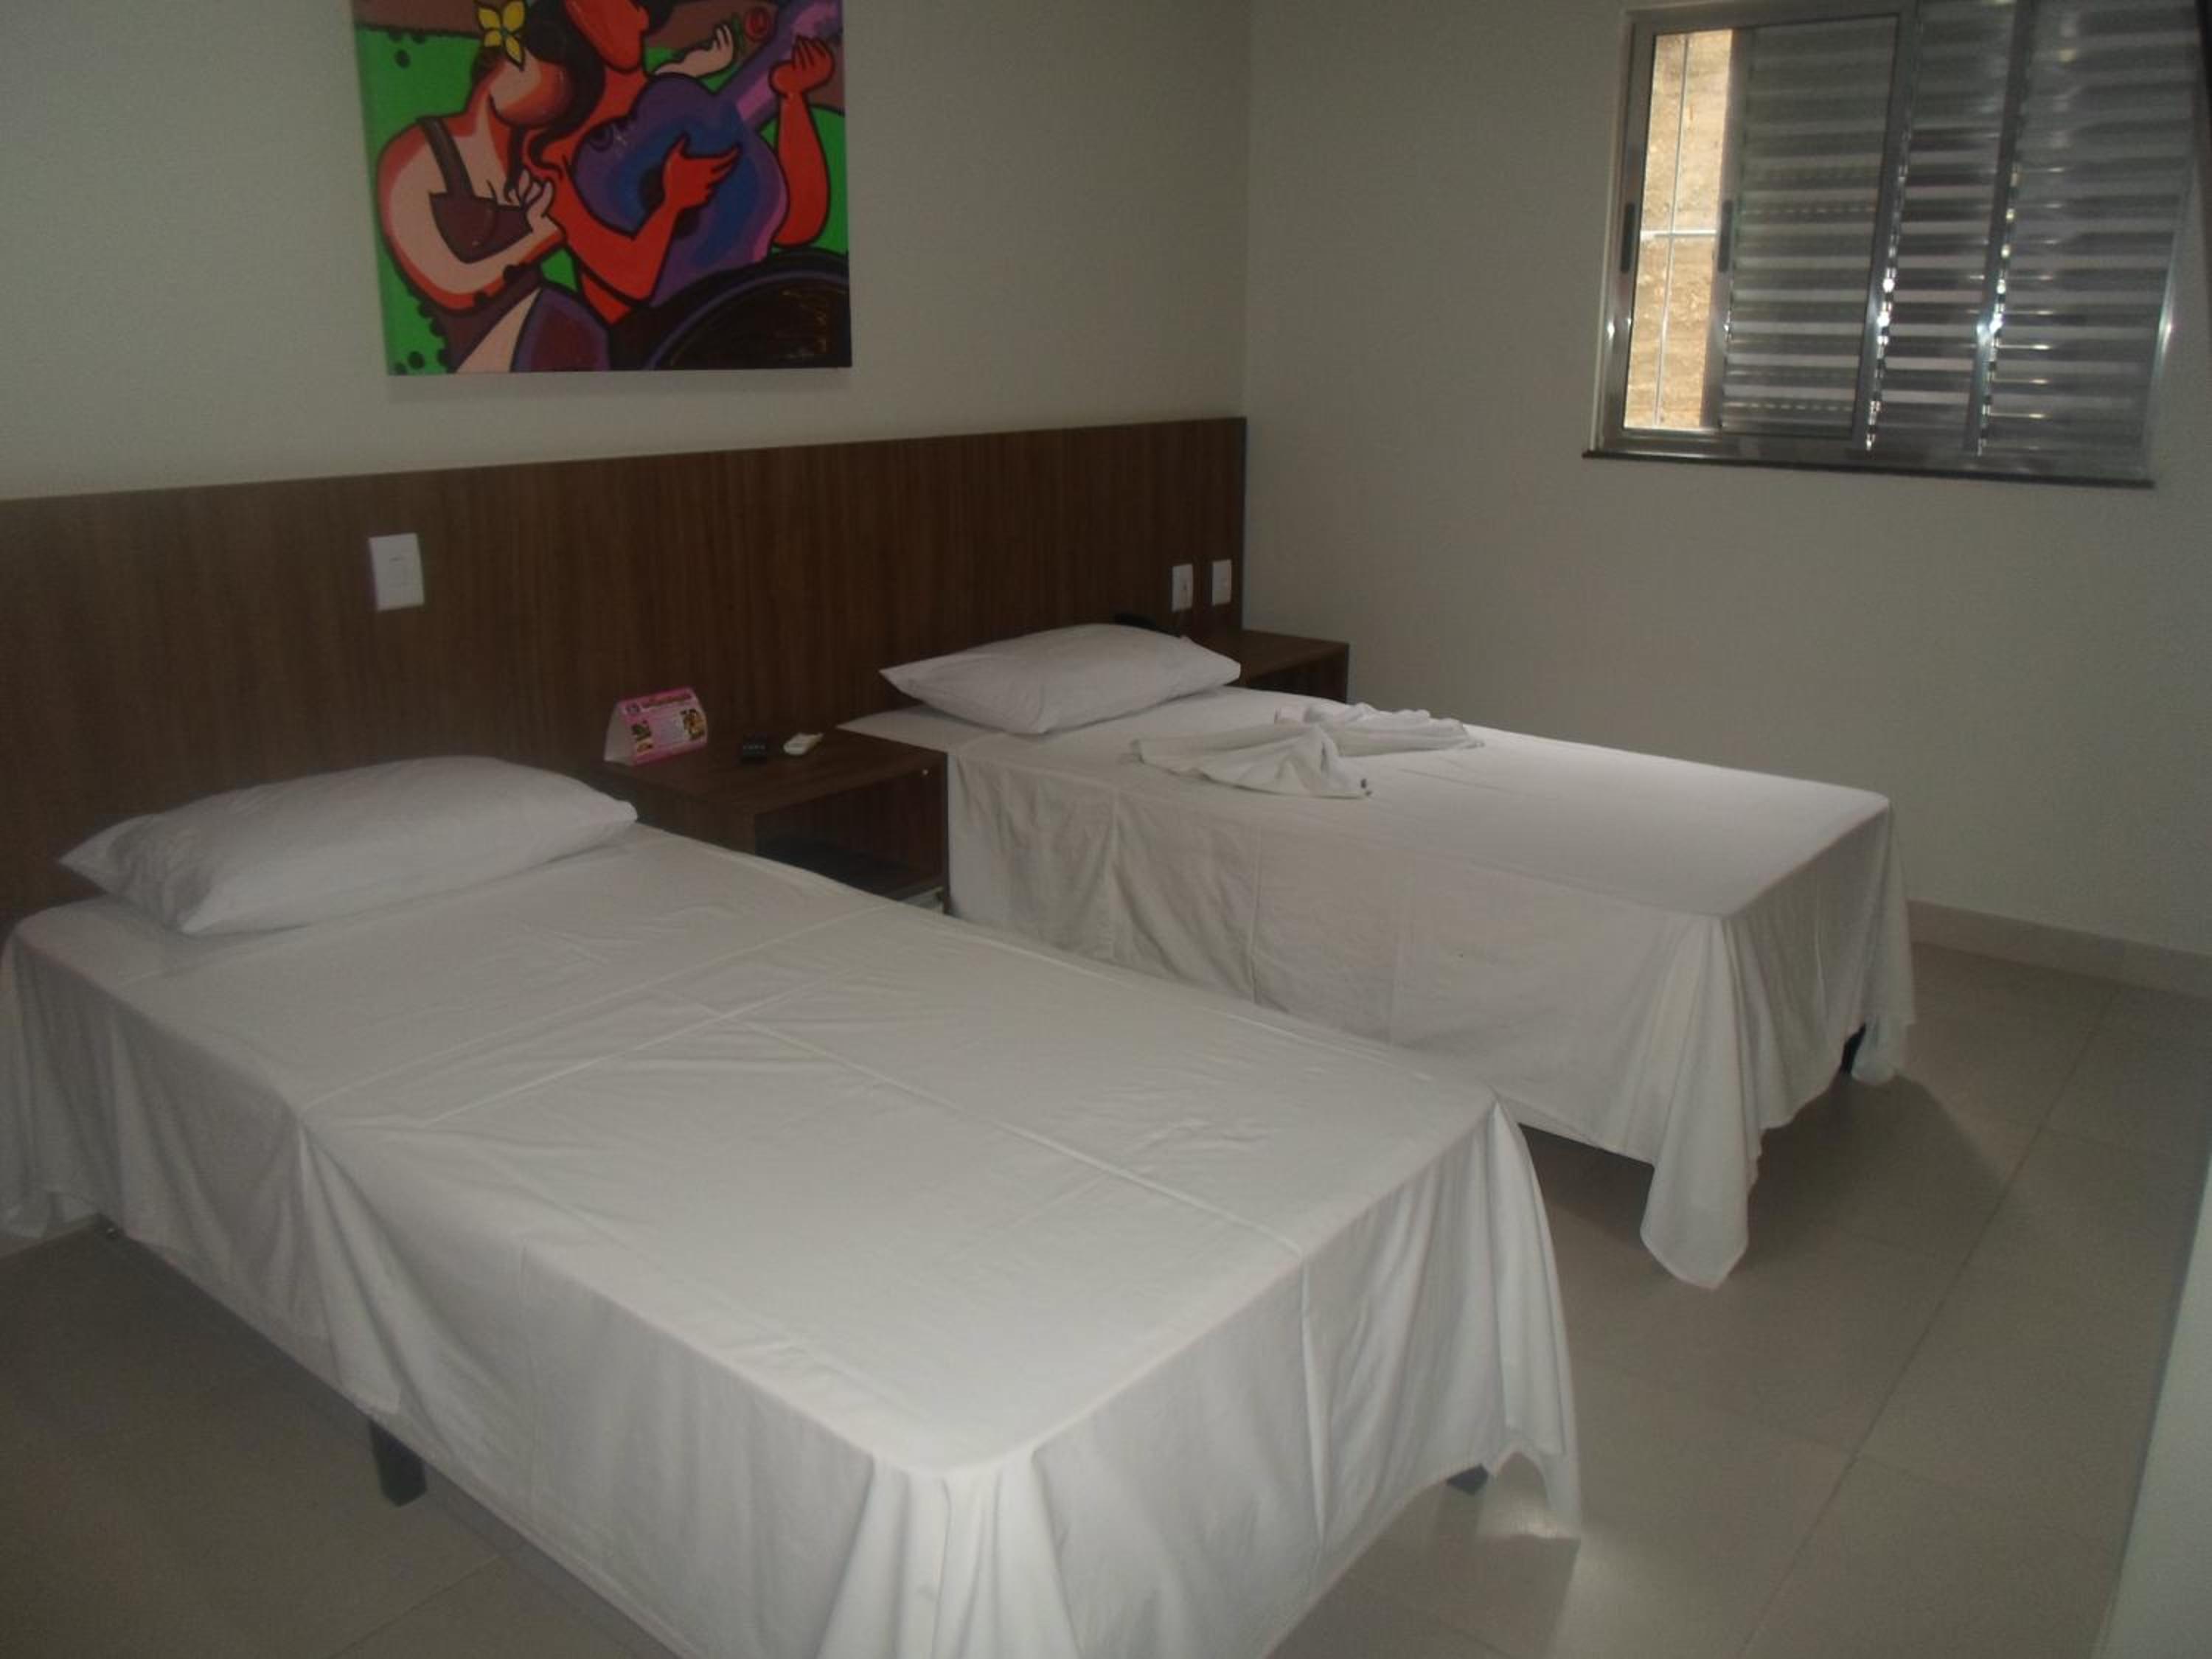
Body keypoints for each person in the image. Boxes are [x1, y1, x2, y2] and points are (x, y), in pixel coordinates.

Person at [524, 0, 843, 330]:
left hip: (757, 308)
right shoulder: (560, 155)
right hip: (673, 337)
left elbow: (797, 225)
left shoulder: (677, 98)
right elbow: (633, 283)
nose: (635, 11)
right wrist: (672, 205)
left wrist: (792, 98)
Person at [373, 11, 610, 372]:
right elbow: (453, 286)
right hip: (488, 355)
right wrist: (537, 239)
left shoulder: (526, 172)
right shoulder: (418, 156)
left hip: (543, 333)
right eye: (530, 67)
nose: (553, 92)